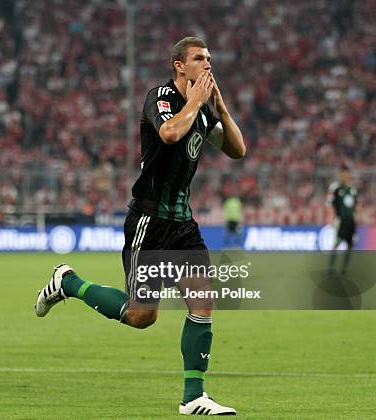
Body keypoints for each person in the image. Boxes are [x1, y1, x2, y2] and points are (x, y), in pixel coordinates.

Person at [35, 36, 245, 415]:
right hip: (149, 221)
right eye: (200, 58)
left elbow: (237, 150)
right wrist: (197, 101)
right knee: (141, 315)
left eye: (210, 58)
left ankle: (193, 397)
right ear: (180, 65)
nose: (208, 64)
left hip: (183, 223)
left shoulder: (205, 111)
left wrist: (222, 111)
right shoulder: (160, 98)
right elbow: (169, 134)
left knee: (202, 297)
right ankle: (69, 283)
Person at [328, 166, 359, 275]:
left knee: (350, 246)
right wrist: (332, 219)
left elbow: (356, 206)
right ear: (340, 176)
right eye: (343, 175)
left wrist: (357, 217)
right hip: (341, 221)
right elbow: (331, 205)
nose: (345, 177)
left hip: (351, 222)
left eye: (347, 175)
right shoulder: (336, 189)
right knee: (336, 244)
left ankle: (344, 270)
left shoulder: (353, 190)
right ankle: (330, 269)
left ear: (349, 176)